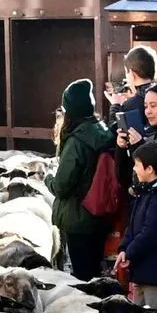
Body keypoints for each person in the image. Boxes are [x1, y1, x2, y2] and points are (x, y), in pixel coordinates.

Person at [50, 78, 115, 278]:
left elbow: (62, 186)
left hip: (78, 218)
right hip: (100, 213)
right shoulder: (103, 131)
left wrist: (48, 180)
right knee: (95, 272)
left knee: (82, 278)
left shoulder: (77, 141)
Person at [115, 142, 157, 313]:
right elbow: (132, 227)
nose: (134, 169)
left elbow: (150, 232)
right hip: (141, 268)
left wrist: (130, 252)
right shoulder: (144, 192)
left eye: (137, 164)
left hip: (155, 271)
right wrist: (124, 248)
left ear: (150, 169)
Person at [107, 45, 156, 140]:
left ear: (132, 73)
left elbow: (114, 133)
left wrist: (115, 106)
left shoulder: (130, 105)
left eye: (127, 72)